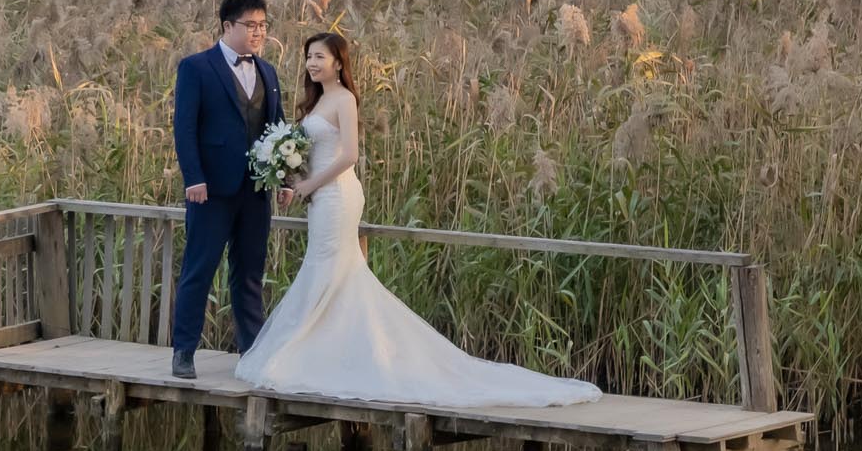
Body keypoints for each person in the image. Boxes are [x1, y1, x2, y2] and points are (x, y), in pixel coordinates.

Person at [234, 32, 602, 409]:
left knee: (331, 268)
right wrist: (291, 178)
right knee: (331, 269)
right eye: (309, 56)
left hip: (338, 195)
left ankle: (327, 355)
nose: (312, 63)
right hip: (317, 195)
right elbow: (312, 152)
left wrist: (309, 183)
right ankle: (329, 352)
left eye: (320, 57)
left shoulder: (344, 99)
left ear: (339, 63)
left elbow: (349, 156)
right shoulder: (317, 101)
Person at [169, 0, 282, 381]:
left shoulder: (268, 72)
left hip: (255, 192)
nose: (258, 33)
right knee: (199, 270)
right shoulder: (196, 68)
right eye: (250, 25)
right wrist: (193, 177)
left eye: (263, 26)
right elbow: (184, 128)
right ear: (227, 26)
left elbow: (276, 131)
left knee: (250, 272)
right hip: (211, 190)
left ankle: (250, 351)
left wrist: (280, 177)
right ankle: (183, 352)